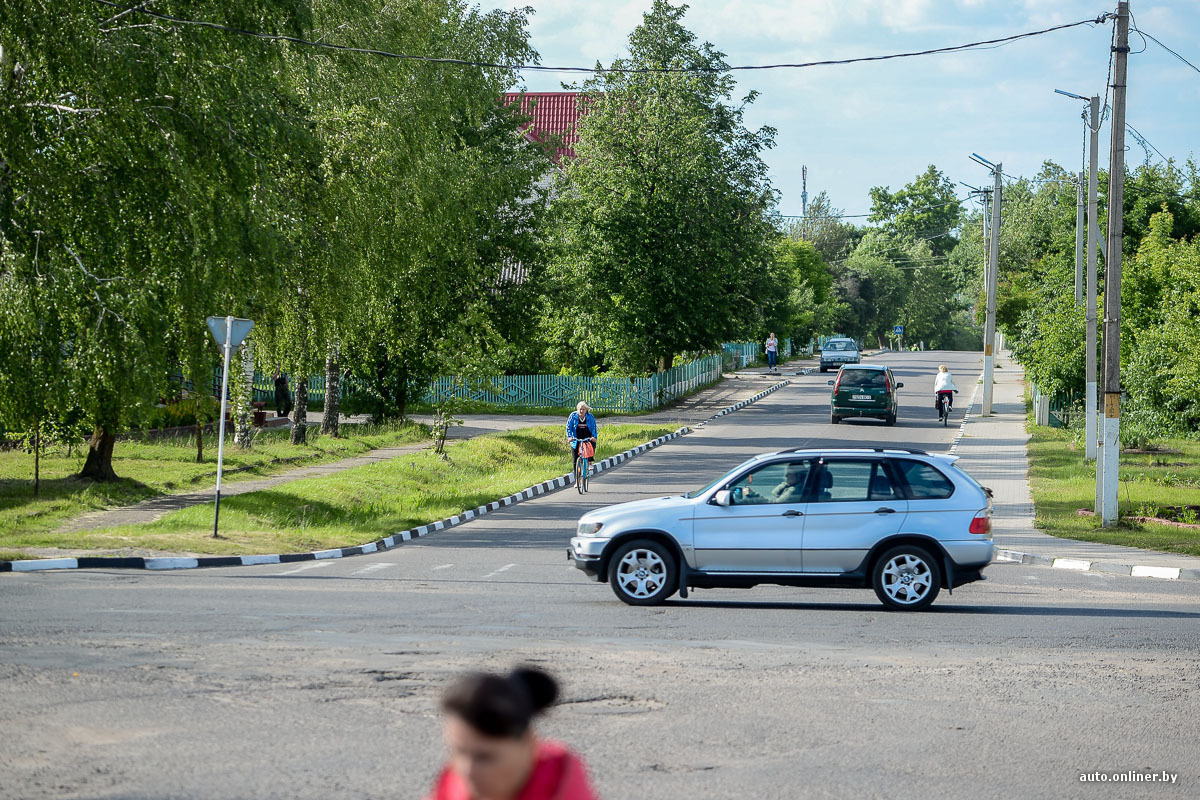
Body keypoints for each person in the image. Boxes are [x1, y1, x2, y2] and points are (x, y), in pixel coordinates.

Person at [426, 667, 598, 800]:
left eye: (485, 757)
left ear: (528, 743)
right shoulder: (451, 787)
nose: (466, 771)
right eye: (458, 751)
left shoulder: (558, 787)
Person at [566, 402, 597, 477]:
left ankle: (590, 462)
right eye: (580, 409)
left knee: (591, 445)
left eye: (583, 409)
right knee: (575, 459)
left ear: (586, 410)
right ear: (577, 409)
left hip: (587, 437)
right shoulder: (573, 416)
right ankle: (577, 479)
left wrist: (594, 437)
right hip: (576, 438)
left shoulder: (590, 417)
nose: (581, 411)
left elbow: (594, 427)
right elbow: (569, 427)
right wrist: (569, 437)